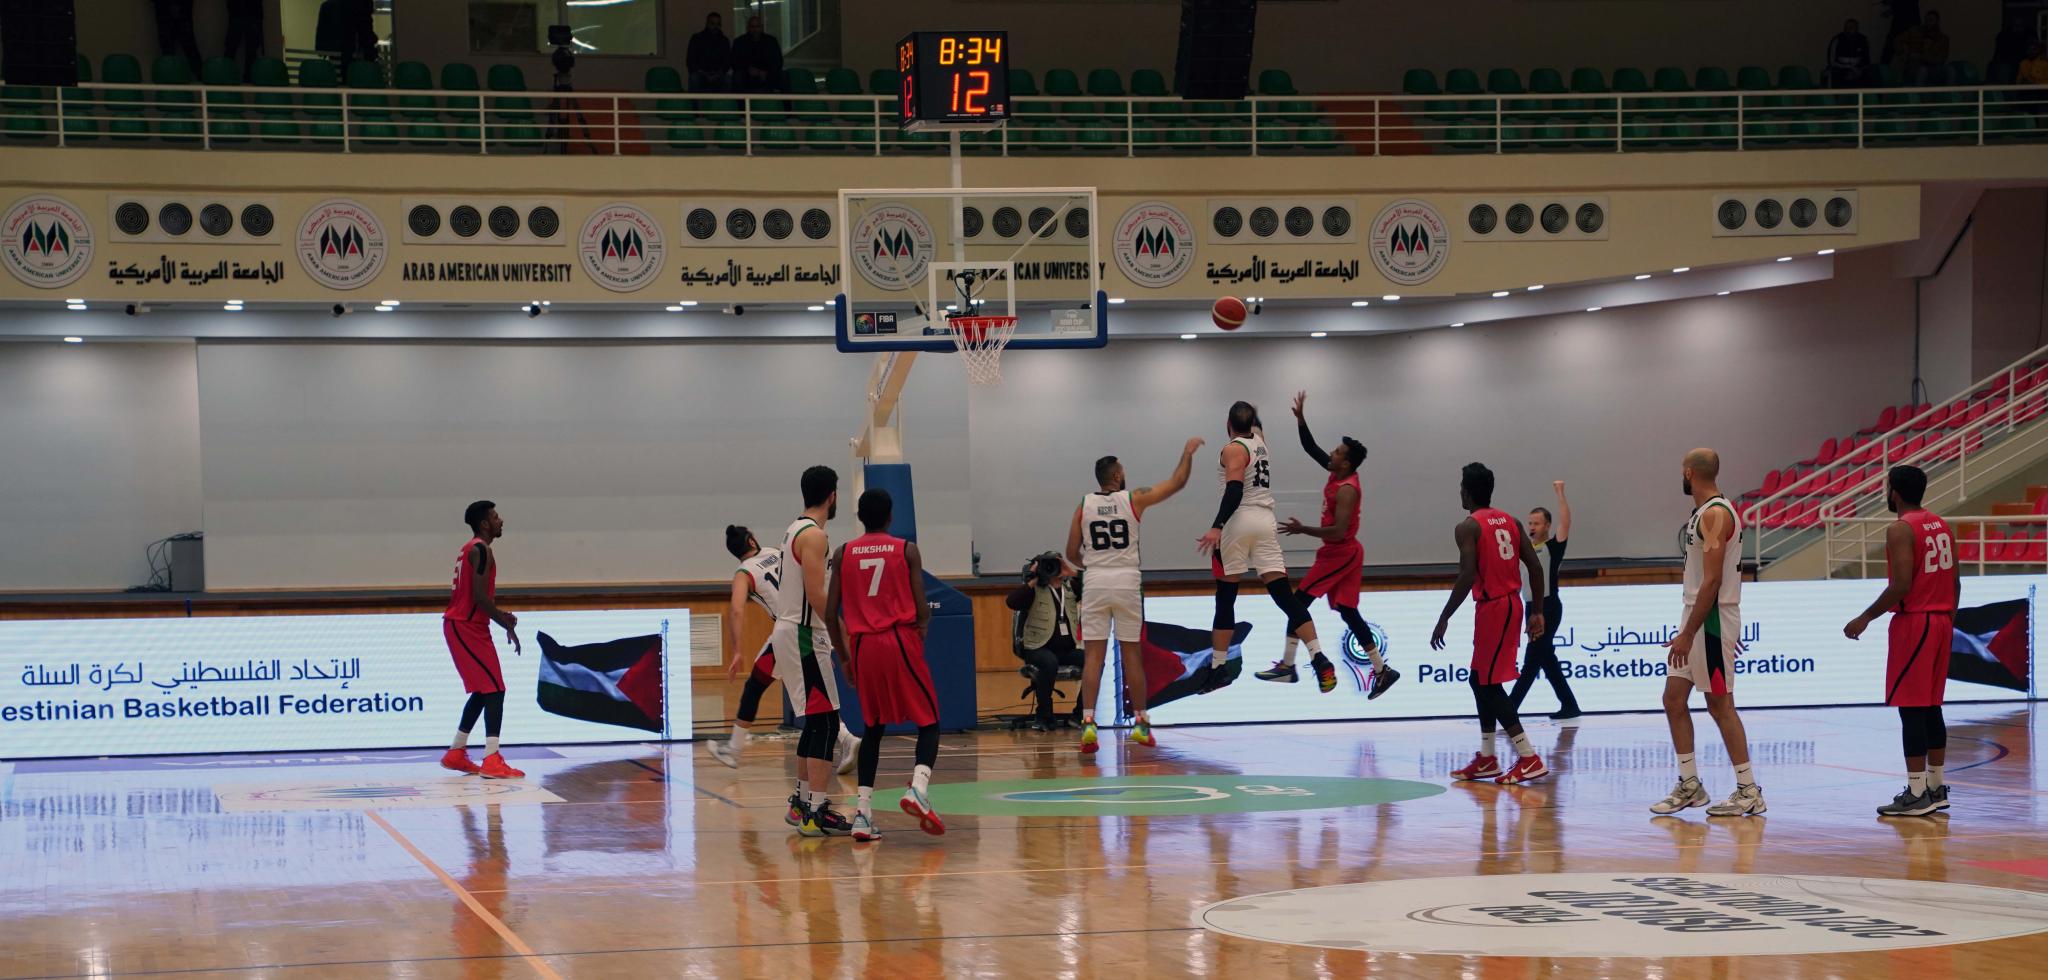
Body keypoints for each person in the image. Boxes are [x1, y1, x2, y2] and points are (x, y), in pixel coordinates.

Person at [1066, 437, 1204, 754]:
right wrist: (1186, 453)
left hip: (1096, 581)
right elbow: (1177, 483)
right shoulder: (1134, 499)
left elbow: (1071, 552)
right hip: (1127, 581)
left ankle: (1088, 724)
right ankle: (1142, 724)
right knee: (1132, 655)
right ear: (1116, 477)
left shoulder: (1083, 505)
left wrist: (1095, 565)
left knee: (1093, 658)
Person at [1650, 449, 1766, 817]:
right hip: (1704, 618)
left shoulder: (1715, 514)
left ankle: (1748, 790)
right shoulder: (1708, 512)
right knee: (1672, 698)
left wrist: (1691, 632)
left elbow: (1714, 579)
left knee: (1720, 705)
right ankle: (1690, 784)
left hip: (1711, 621)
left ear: (1688, 473)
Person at [825, 489, 943, 842]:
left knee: (872, 729)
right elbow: (922, 607)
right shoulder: (905, 550)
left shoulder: (843, 552)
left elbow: (831, 613)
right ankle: (918, 788)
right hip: (897, 637)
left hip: (862, 646)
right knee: (930, 720)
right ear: (891, 516)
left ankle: (862, 814)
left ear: (860, 517)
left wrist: (844, 657)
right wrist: (919, 634)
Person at [1269, 391, 1399, 698]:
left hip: (1341, 552)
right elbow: (1310, 447)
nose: (1332, 453)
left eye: (1338, 452)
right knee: (1348, 612)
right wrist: (1301, 420)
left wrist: (1303, 530)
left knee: (1297, 603)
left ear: (1347, 463)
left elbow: (1339, 531)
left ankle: (1288, 665)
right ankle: (1382, 670)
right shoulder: (1336, 471)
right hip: (1342, 551)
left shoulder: (1347, 490)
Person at [1844, 465, 1958, 817]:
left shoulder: (1900, 528)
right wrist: (1947, 620)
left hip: (1917, 622)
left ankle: (1916, 792)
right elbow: (1956, 583)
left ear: (1893, 491)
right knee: (1931, 707)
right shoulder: (1940, 523)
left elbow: (1901, 585)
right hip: (1942, 620)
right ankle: (1936, 787)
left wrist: (1865, 617)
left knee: (1911, 709)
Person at [1430, 463, 1549, 785]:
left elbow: (1467, 575)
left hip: (1495, 606)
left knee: (1487, 684)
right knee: (1478, 679)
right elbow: (1535, 567)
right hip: (1509, 604)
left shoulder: (1467, 526)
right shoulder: (1509, 520)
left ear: (1466, 491)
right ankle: (1487, 757)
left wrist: (1444, 616)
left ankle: (1528, 756)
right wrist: (1537, 611)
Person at [705, 525, 856, 775]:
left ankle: (847, 739)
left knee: (806, 697)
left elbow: (736, 610)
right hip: (809, 623)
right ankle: (734, 748)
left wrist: (737, 650)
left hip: (791, 630)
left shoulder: (744, 573)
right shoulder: (775, 551)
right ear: (752, 540)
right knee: (759, 685)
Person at [1197, 401, 1320, 699]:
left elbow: (1235, 490)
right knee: (1284, 596)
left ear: (1228, 424)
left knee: (1225, 597)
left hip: (1239, 523)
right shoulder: (1261, 444)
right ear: (1253, 425)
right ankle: (1318, 657)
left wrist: (1217, 525)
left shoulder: (1233, 449)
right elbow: (1257, 427)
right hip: (1266, 523)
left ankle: (1219, 667)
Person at [772, 466, 851, 837]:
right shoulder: (815, 536)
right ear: (832, 496)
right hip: (804, 633)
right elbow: (817, 594)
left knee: (815, 721)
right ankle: (816, 811)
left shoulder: (794, 529)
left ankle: (803, 801)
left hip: (790, 631)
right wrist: (841, 635)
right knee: (826, 722)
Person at [440, 501, 525, 780]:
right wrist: (502, 620)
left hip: (468, 625)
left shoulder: (472, 549)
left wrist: (500, 620)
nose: (501, 520)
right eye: (496, 517)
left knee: (483, 689)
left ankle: (456, 752)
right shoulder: (481, 550)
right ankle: (491, 758)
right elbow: (478, 597)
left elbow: (480, 598)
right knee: (495, 689)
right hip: (466, 626)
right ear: (485, 523)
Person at [1510, 481, 1582, 720]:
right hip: (1531, 607)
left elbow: (1566, 522)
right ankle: (1570, 706)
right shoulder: (1524, 550)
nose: (1531, 527)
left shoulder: (1553, 547)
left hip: (1548, 608)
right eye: (1529, 523)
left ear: (1547, 525)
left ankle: (1508, 710)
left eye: (1536, 523)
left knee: (1532, 660)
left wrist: (1560, 493)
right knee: (1546, 659)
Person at [1007, 552, 1084, 731]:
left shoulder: (1071, 588)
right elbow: (1012, 602)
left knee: (1094, 662)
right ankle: (1044, 715)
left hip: (1066, 650)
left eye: (1055, 564)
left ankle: (1079, 713)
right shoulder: (1033, 590)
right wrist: (1034, 577)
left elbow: (1092, 590)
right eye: (1047, 565)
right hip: (1037, 648)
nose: (1051, 569)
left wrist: (1071, 572)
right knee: (1049, 662)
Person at [731, 15, 784, 94]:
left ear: (762, 27)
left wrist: (765, 72)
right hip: (746, 73)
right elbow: (734, 61)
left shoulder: (771, 41)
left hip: (767, 73)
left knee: (783, 76)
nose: (755, 29)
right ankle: (741, 105)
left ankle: (785, 105)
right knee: (737, 76)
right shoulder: (739, 42)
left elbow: (778, 61)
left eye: (757, 26)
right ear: (748, 28)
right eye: (752, 26)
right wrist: (748, 69)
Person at [1894, 10, 1950, 82]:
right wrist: (1903, 52)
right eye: (1926, 20)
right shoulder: (1915, 32)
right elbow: (1898, 39)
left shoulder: (1943, 39)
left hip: (1934, 68)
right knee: (1920, 70)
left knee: (1950, 71)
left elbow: (1941, 58)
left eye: (1931, 20)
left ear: (1937, 22)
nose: (1927, 23)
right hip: (1914, 66)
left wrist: (1922, 57)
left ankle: (1950, 92)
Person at [152, 0, 204, 74]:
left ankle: (169, 75)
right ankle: (200, 75)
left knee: (171, 45)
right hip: (172, 6)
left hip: (167, 6)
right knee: (186, 45)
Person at [686, 11, 733, 92]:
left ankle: (724, 104)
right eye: (712, 23)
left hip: (718, 74)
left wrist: (718, 73)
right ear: (707, 24)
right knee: (694, 79)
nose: (715, 26)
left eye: (718, 24)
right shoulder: (697, 39)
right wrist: (703, 73)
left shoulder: (724, 40)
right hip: (701, 73)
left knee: (728, 80)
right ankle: (696, 105)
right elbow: (690, 60)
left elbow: (728, 61)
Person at [223, 0, 265, 78]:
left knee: (247, 50)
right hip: (246, 12)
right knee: (235, 48)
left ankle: (227, 77)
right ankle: (227, 77)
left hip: (243, 12)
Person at [1826, 19, 1872, 87]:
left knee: (1871, 74)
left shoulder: (1863, 40)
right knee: (1836, 74)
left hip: (1858, 70)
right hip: (1840, 69)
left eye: (1851, 27)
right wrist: (1847, 68)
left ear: (1856, 28)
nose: (1848, 30)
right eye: (1846, 27)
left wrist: (1858, 70)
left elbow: (1866, 60)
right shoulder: (1837, 39)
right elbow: (1831, 61)